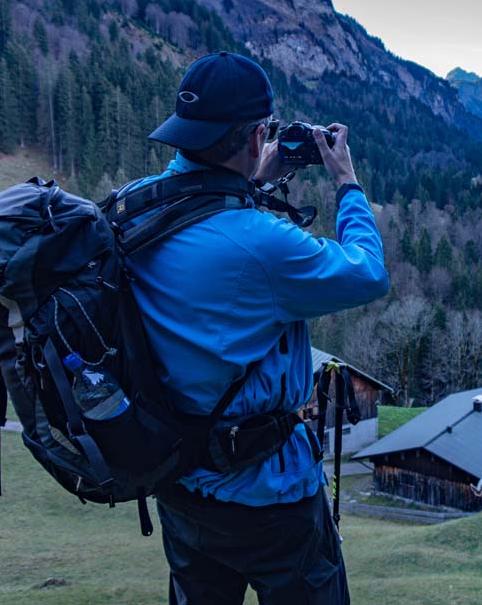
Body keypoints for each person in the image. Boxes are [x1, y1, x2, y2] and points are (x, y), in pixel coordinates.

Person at [126, 50, 389, 605]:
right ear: (253, 137)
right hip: (270, 498)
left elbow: (203, 218)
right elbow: (367, 272)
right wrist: (347, 181)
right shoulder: (260, 244)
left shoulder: (135, 208)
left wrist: (252, 179)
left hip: (181, 484)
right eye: (263, 134)